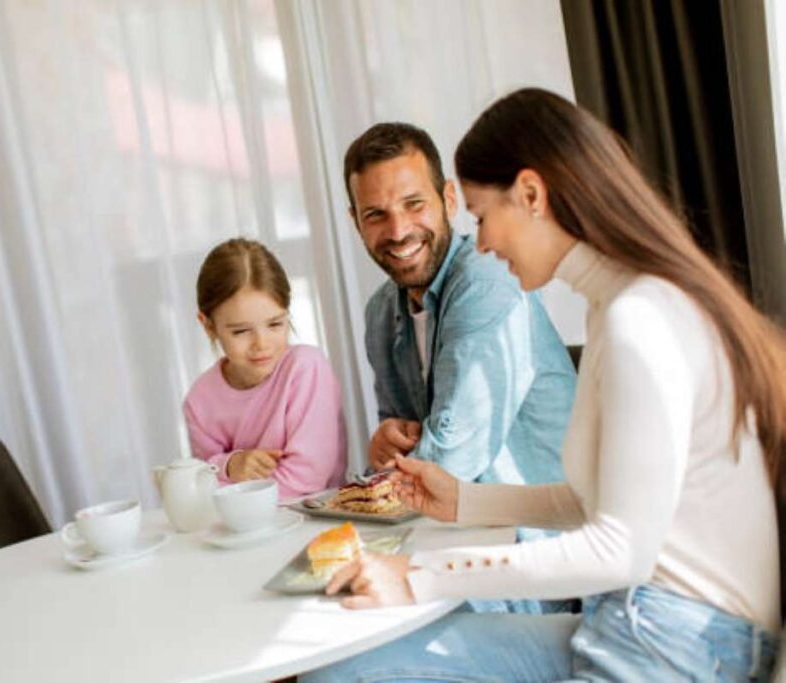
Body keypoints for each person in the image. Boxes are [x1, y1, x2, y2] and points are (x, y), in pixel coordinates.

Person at [303, 88, 786, 681]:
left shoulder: (642, 318)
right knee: (348, 671)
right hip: (630, 622)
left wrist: (420, 578)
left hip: (677, 646)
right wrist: (465, 501)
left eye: (481, 217)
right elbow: (594, 503)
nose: (479, 243)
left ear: (530, 195)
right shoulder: (615, 309)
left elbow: (620, 548)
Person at [345, 122, 577, 614]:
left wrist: (403, 467)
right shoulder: (379, 313)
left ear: (448, 199)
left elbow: (451, 461)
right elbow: (404, 464)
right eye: (376, 215)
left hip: (536, 562)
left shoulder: (487, 278)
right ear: (356, 222)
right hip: (447, 538)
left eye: (413, 204)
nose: (398, 231)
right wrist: (386, 439)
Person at [183, 238, 347, 501]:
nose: (261, 344)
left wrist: (228, 485)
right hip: (240, 529)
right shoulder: (200, 400)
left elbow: (306, 479)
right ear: (208, 325)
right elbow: (200, 487)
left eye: (274, 324)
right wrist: (231, 465)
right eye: (241, 331)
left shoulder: (305, 369)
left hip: (316, 522)